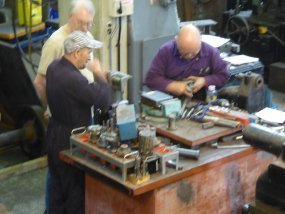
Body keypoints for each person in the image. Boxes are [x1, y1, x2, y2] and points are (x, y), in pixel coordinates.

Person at [33, 0, 97, 212]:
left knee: (76, 171)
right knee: (58, 171)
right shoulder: (56, 42)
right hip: (63, 121)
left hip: (82, 117)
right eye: (82, 23)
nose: (86, 29)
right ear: (70, 18)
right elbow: (40, 82)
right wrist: (51, 108)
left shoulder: (85, 38)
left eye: (89, 23)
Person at [46, 31, 111, 213]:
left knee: (57, 192)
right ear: (76, 53)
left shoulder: (54, 67)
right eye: (88, 53)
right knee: (74, 194)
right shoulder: (74, 79)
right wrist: (99, 74)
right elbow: (104, 101)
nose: (90, 58)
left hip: (53, 134)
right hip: (69, 140)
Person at [145, 24, 231, 100]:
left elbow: (224, 75)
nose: (189, 56)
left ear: (200, 40)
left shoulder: (211, 52)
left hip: (201, 101)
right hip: (170, 100)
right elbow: (151, 79)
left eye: (194, 53)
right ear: (176, 40)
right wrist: (174, 86)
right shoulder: (166, 51)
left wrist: (204, 81)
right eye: (184, 53)